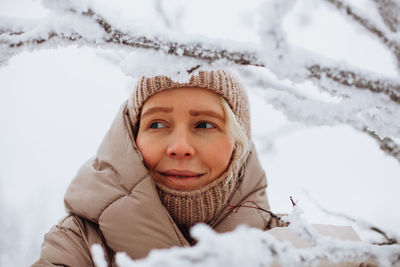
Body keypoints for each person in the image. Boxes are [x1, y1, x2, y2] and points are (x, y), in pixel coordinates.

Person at [33, 70, 283, 266]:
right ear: (132, 137)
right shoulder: (81, 242)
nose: (180, 147)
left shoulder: (288, 247)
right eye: (157, 124)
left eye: (205, 125)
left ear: (238, 144)